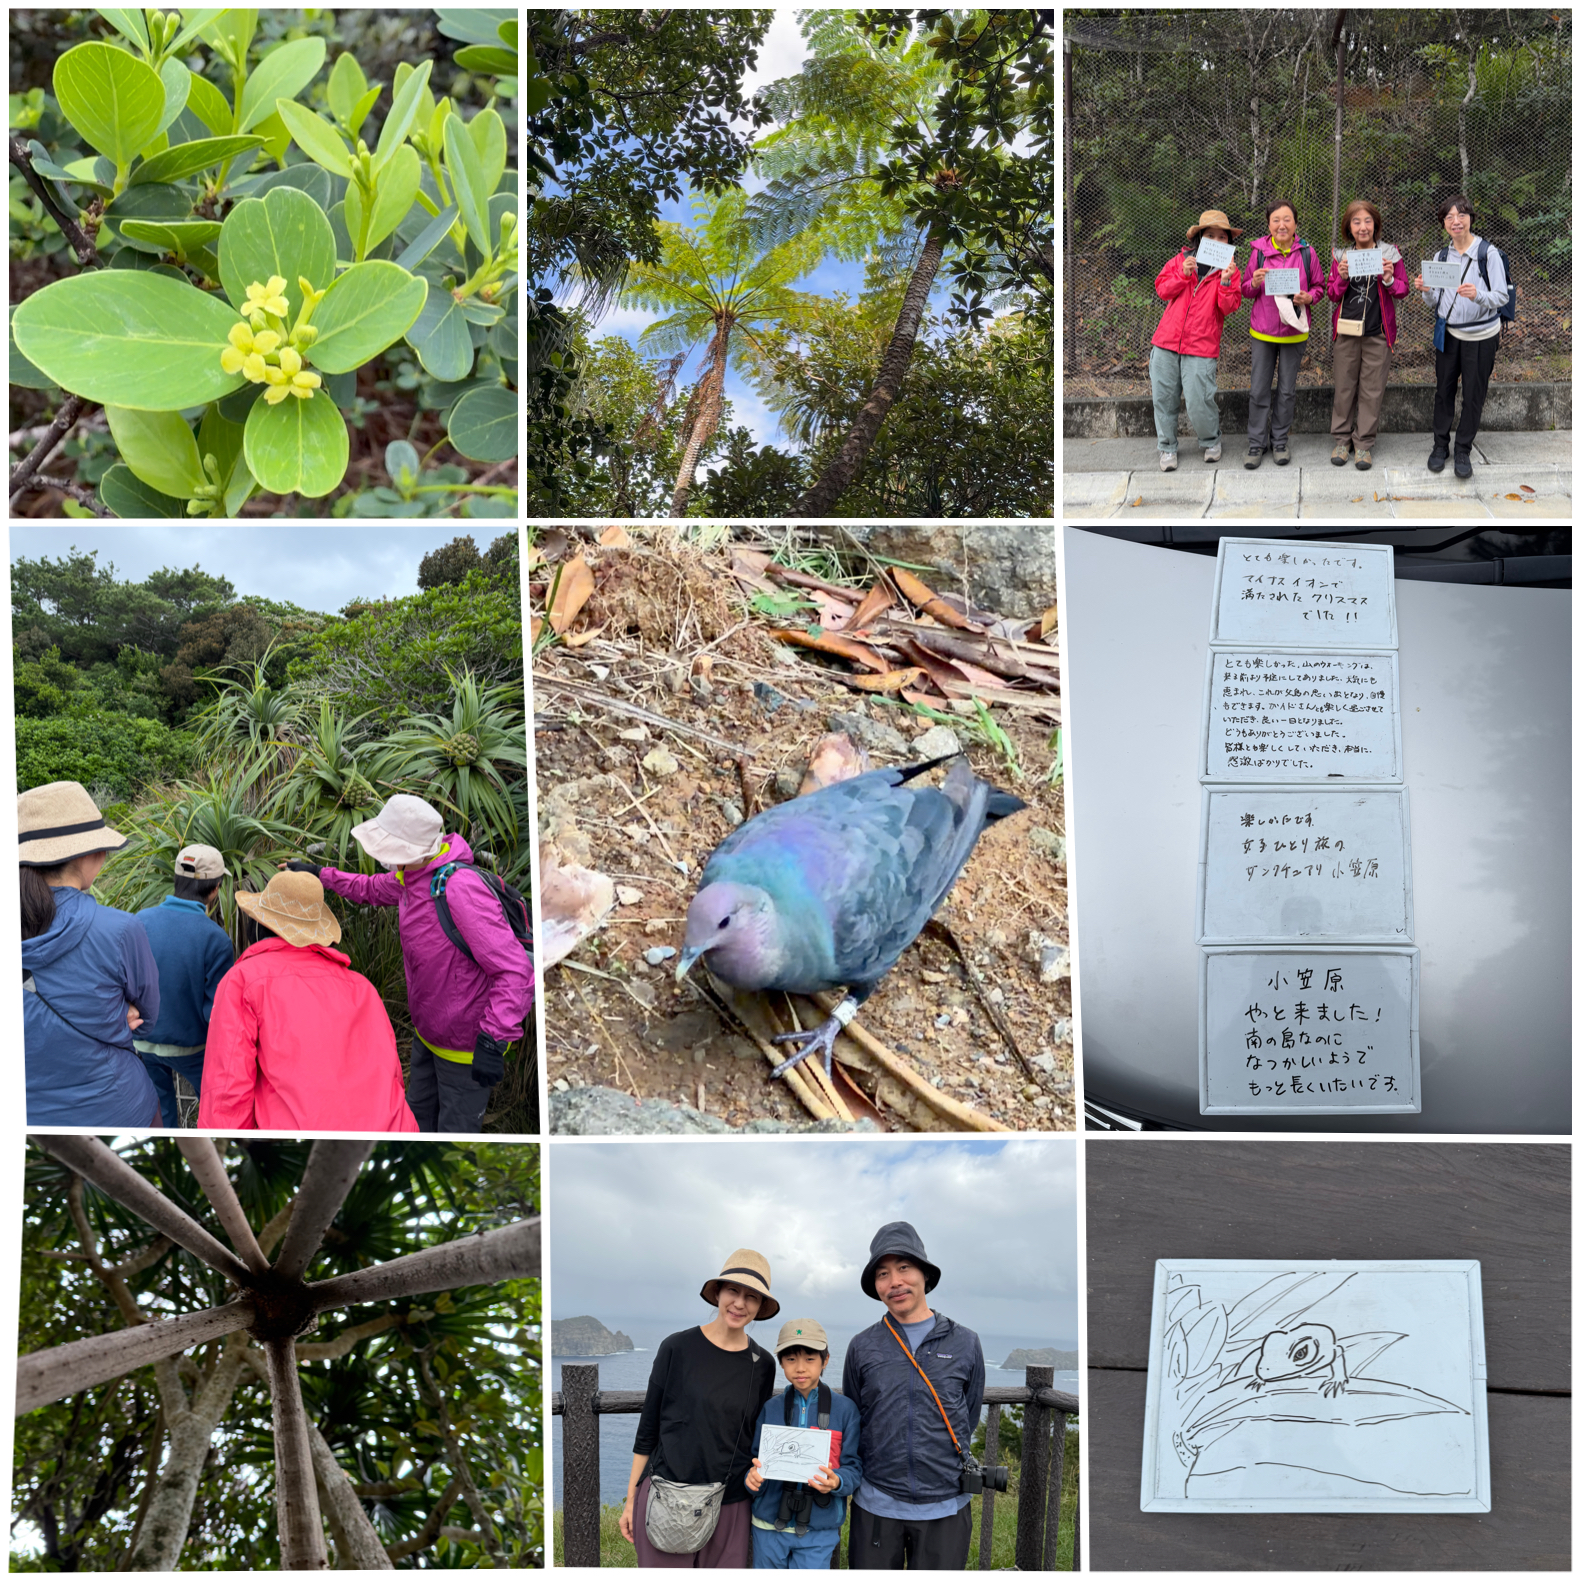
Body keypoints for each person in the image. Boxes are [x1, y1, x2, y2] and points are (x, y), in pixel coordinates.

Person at [287, 795, 533, 1133]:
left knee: (453, 1131)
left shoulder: (459, 889)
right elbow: (371, 889)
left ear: (410, 850)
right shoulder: (413, 877)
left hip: (464, 1046)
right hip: (427, 1032)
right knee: (415, 1118)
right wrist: (321, 874)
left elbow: (515, 970)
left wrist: (493, 1040)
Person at [197, 869, 418, 1131]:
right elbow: (391, 1078)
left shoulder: (244, 981)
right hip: (388, 1138)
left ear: (258, 925)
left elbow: (226, 1095)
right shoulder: (362, 987)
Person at [622, 1249, 779, 1568]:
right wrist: (631, 1500)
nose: (739, 1303)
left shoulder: (762, 1364)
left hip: (731, 1502)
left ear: (760, 1306)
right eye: (733, 1290)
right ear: (718, 1292)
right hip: (669, 1493)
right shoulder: (677, 1348)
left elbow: (756, 1435)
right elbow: (648, 1430)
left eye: (751, 1296)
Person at [842, 1223, 985, 1570]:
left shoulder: (965, 1342)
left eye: (904, 1268)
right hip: (876, 1502)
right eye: (883, 1273)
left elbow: (969, 1413)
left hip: (946, 1504)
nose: (895, 1282)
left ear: (924, 1274)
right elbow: (856, 1414)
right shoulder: (863, 1346)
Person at [20, 781, 161, 1128]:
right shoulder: (120, 929)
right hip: (119, 1108)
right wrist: (116, 1015)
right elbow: (148, 1019)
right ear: (85, 854)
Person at [745, 1318, 863, 1569]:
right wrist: (751, 1478)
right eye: (790, 1359)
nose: (800, 1368)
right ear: (781, 1363)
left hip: (819, 1529)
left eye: (810, 1359)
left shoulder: (845, 1410)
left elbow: (854, 1467)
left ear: (826, 1360)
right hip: (768, 1526)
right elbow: (754, 1461)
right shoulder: (771, 1408)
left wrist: (837, 1482)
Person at [133, 844, 236, 1126]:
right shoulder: (215, 939)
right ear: (215, 889)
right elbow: (214, 1011)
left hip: (142, 1042)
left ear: (176, 880)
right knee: (214, 1108)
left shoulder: (139, 921)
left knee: (161, 1111)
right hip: (192, 1050)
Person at [1413, 193, 1509, 479]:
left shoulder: (1487, 254)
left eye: (1461, 215)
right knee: (1443, 391)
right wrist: (1425, 289)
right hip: (1449, 335)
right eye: (1449, 217)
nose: (1456, 222)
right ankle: (1440, 446)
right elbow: (1434, 302)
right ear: (1444, 223)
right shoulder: (1441, 256)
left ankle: (1463, 449)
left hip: (1481, 337)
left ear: (1470, 219)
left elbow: (1501, 296)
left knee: (1473, 394)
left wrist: (1477, 295)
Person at [1149, 208, 1244, 470]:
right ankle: (1167, 448)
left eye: (1222, 237)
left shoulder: (1230, 270)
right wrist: (1183, 274)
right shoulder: (1180, 260)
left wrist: (1225, 283)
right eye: (1210, 235)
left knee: (1199, 398)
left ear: (1228, 242)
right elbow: (1162, 289)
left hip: (1202, 345)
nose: (1216, 241)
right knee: (1164, 397)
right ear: (1199, 238)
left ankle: (1211, 440)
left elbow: (1229, 306)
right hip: (1166, 341)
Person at [1241, 198, 1326, 469]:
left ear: (1295, 224)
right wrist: (1254, 282)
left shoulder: (1307, 253)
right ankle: (1256, 444)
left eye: (1287, 219)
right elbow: (1245, 289)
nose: (1281, 225)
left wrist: (1308, 297)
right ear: (1268, 224)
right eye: (1276, 220)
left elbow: (1320, 287)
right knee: (1258, 390)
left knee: (1287, 391)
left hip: (1294, 332)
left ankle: (1279, 442)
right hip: (1263, 332)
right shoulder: (1259, 252)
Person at [1326, 199, 1409, 471]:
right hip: (1347, 332)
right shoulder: (1341, 256)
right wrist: (1341, 276)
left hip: (1378, 332)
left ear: (1376, 225)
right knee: (1344, 387)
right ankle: (1341, 440)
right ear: (1349, 228)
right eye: (1356, 222)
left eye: (1368, 221)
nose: (1363, 227)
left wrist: (1388, 278)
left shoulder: (1390, 254)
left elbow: (1403, 289)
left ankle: (1363, 444)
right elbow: (1331, 294)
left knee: (1372, 390)